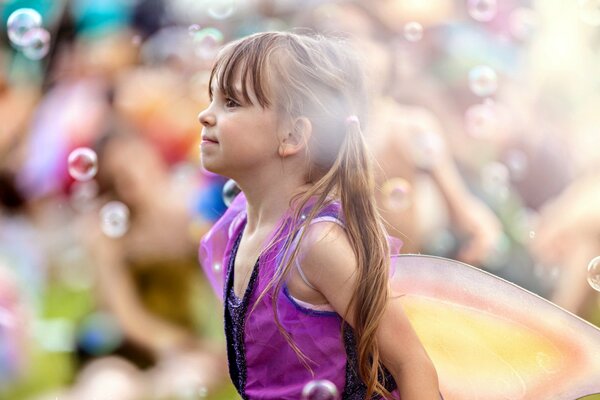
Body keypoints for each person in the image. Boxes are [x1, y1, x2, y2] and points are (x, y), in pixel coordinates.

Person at [198, 31, 440, 399]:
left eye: (231, 102)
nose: (205, 115)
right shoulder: (239, 229)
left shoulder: (316, 244)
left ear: (292, 135)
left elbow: (411, 362)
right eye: (211, 98)